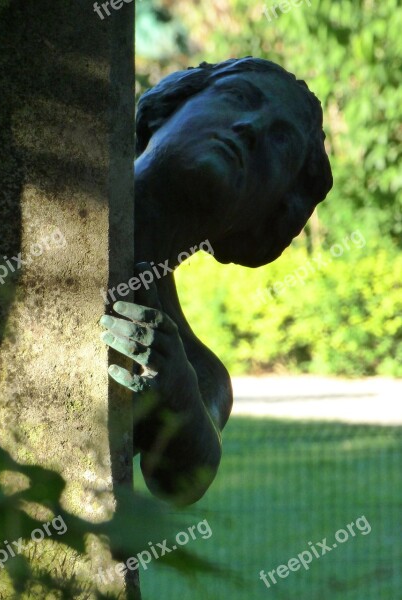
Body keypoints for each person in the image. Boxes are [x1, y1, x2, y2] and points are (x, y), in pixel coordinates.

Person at [100, 57, 333, 505]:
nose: (249, 127)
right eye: (236, 98)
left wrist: (179, 393)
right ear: (166, 110)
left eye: (279, 143)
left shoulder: (190, 364)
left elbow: (182, 480)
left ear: (266, 214)